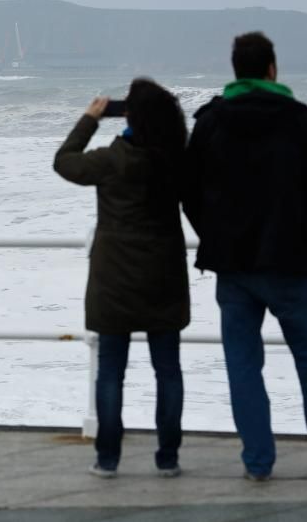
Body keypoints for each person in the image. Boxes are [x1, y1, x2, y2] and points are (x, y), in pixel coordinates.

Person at [182, 31, 307, 482]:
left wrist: (216, 238)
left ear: (236, 69)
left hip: (234, 268)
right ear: (272, 68)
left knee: (243, 364)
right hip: (292, 262)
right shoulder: (298, 121)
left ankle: (258, 463)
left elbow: (189, 194)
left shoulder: (211, 121)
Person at [54, 78, 191, 479]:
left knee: (111, 372)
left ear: (130, 116)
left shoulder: (111, 161)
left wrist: (90, 119)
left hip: (113, 281)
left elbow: (64, 161)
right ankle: (168, 458)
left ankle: (108, 459)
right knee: (168, 370)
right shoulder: (176, 158)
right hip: (163, 277)